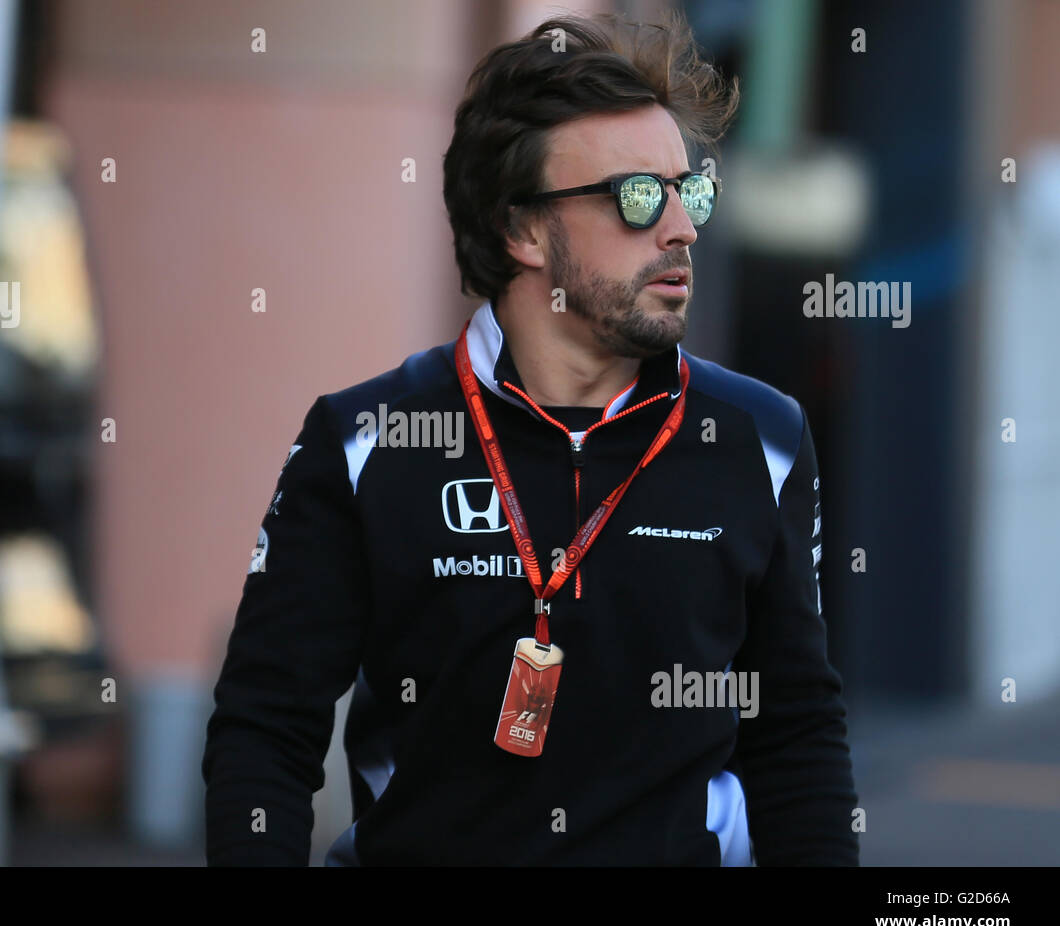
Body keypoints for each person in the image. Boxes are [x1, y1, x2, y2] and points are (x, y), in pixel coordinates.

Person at [202, 11, 860, 866]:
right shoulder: (367, 441)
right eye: (636, 197)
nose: (681, 229)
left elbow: (795, 736)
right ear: (522, 230)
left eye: (688, 191)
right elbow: (265, 728)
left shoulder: (761, 439)